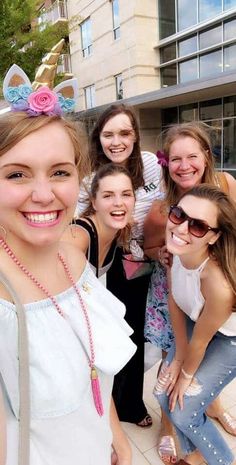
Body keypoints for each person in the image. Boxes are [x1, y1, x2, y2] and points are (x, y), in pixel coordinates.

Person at [0, 64, 136, 465]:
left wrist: (115, 436)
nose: (43, 194)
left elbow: (96, 365)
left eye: (60, 171)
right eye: (17, 174)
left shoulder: (75, 258)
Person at [144, 122, 236, 463]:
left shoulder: (226, 185)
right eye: (176, 158)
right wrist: (165, 253)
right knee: (172, 368)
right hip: (179, 288)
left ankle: (206, 411)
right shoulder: (165, 208)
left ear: (206, 156)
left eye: (192, 156)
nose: (184, 165)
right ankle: (173, 429)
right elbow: (151, 245)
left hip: (214, 296)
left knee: (199, 370)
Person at [78, 103, 163, 426]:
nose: (117, 141)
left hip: (142, 260)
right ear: (98, 138)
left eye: (125, 133)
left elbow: (165, 205)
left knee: (137, 335)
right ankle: (105, 405)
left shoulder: (152, 167)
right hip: (106, 263)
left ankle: (131, 404)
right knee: (106, 333)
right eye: (108, 134)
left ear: (135, 136)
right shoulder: (89, 180)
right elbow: (81, 225)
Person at [62, 163, 135, 279]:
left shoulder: (118, 232)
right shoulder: (78, 235)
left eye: (126, 194)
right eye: (108, 196)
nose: (118, 203)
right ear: (94, 202)